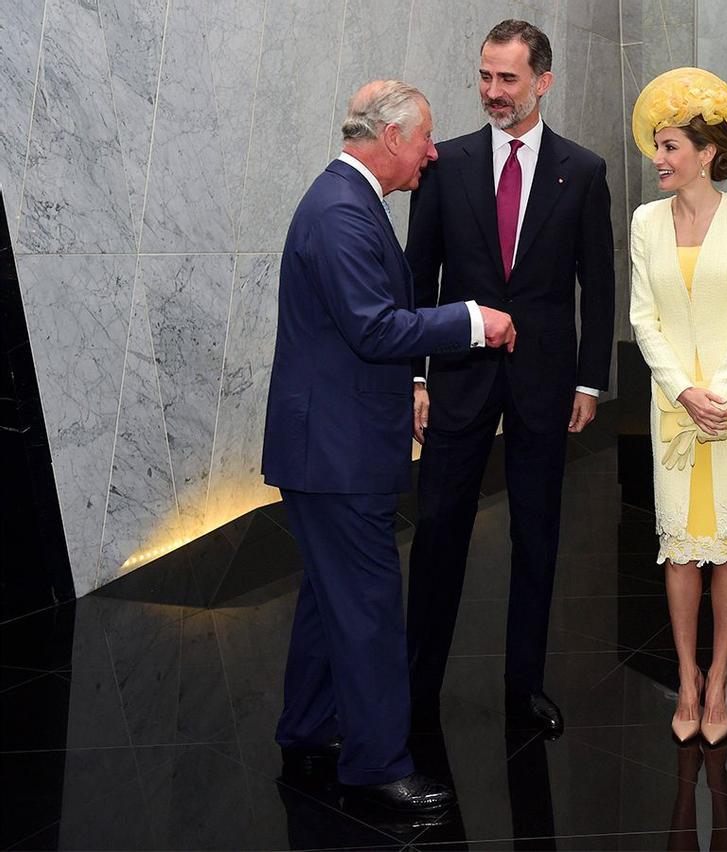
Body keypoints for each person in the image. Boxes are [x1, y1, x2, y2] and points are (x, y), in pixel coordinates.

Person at [261, 80, 516, 813]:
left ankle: (309, 725)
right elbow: (374, 326)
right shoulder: (341, 210)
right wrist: (471, 320)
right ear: (393, 138)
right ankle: (375, 763)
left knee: (328, 597)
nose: (433, 152)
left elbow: (360, 329)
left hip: (333, 446)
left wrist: (408, 387)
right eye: (426, 138)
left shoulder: (348, 202)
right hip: (334, 455)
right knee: (369, 605)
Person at [404, 19, 615, 736]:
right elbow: (417, 279)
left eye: (508, 79)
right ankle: (415, 685)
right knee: (437, 531)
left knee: (539, 534)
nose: (493, 92)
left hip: (544, 383)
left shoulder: (582, 172)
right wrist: (416, 379)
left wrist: (590, 383)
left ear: (542, 81)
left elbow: (599, 284)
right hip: (457, 377)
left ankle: (523, 687)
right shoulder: (446, 164)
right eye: (486, 76)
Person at [628, 68, 727, 746]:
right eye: (655, 147)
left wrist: (717, 391)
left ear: (707, 153)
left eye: (668, 148)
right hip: (674, 406)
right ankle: (685, 676)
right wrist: (683, 390)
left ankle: (721, 679)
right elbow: (643, 319)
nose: (657, 160)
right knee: (681, 551)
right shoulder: (645, 223)